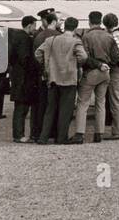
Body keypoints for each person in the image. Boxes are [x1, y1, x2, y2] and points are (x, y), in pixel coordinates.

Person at [35, 17, 87, 145]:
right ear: (75, 27)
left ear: (64, 26)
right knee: (66, 110)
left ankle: (43, 137)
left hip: (53, 78)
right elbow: (83, 57)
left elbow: (38, 53)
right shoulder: (76, 42)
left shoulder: (51, 40)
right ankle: (61, 137)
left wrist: (48, 64)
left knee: (50, 109)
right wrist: (76, 64)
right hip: (69, 78)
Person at [72, 11, 115, 144]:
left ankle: (79, 133)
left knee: (83, 102)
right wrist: (106, 65)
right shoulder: (109, 36)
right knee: (100, 103)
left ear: (89, 21)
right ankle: (99, 134)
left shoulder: (87, 37)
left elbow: (84, 58)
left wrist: (97, 64)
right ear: (101, 21)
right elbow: (116, 57)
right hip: (105, 73)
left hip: (91, 72)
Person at [8, 16, 39, 143]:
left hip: (17, 76)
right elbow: (25, 59)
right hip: (24, 78)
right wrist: (35, 68)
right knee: (22, 107)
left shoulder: (16, 37)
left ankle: (18, 134)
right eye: (34, 25)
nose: (35, 28)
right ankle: (19, 135)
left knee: (20, 107)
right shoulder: (25, 39)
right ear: (29, 25)